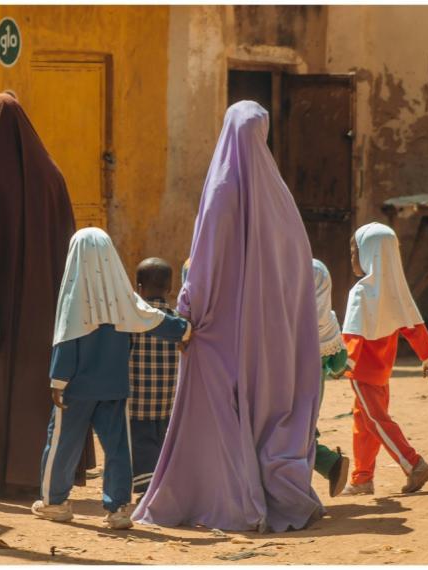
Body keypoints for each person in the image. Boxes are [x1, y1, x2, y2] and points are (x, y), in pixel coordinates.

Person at [133, 100, 323, 533]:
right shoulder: (280, 197)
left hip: (219, 327)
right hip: (274, 332)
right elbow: (297, 268)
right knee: (264, 407)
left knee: (218, 411)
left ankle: (222, 497)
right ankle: (278, 490)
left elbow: (205, 260)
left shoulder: (222, 187)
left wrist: (187, 311)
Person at [0, 92, 95, 496]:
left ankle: (4, 474)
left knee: (5, 383)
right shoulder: (53, 176)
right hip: (53, 301)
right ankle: (57, 470)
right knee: (49, 381)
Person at [31, 228, 191, 530]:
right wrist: (184, 330)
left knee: (63, 442)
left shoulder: (74, 295)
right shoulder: (124, 298)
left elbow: (66, 339)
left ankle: (54, 502)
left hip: (76, 387)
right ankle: (118, 508)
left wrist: (57, 381)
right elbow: (152, 319)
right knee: (117, 446)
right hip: (114, 385)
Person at [340, 222, 428, 496]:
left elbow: (353, 334)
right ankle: (362, 479)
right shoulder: (397, 291)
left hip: (362, 373)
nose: (352, 258)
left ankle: (414, 464)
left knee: (375, 422)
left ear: (369, 254)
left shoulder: (361, 291)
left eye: (354, 252)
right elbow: (413, 326)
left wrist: (343, 364)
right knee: (364, 423)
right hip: (383, 372)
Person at [128, 258, 181, 499]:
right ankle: (162, 485)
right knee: (162, 441)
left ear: (138, 287)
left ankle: (145, 488)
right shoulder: (177, 321)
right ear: (170, 288)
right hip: (168, 399)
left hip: (136, 399)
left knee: (141, 443)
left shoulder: (131, 320)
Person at [311, 259, 351, 497]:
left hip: (282, 385)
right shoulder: (330, 322)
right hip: (314, 391)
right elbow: (339, 365)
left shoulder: (283, 321)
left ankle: (328, 463)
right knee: (300, 428)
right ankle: (329, 463)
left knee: (286, 431)